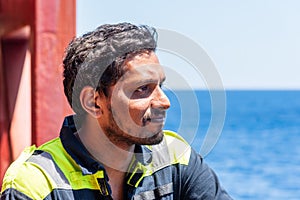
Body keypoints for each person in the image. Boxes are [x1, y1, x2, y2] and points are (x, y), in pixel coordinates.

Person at [1, 22, 233, 200]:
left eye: (160, 86)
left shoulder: (177, 158)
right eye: (143, 89)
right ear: (93, 102)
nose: (164, 102)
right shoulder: (35, 183)